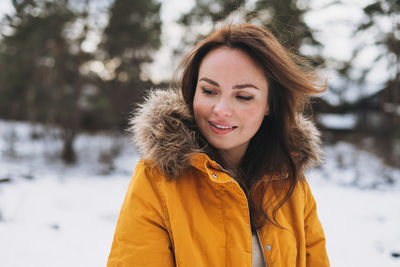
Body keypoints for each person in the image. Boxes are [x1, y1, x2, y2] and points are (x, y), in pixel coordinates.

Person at [107, 24, 329, 267]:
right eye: (209, 91)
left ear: (269, 105)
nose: (221, 110)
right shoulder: (157, 181)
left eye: (243, 96)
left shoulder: (290, 182)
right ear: (193, 92)